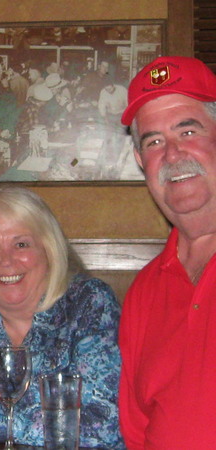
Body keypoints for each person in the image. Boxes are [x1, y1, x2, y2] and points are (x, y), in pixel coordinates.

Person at [0, 187, 124, 448]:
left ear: (49, 249)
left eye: (21, 244)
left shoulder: (88, 305)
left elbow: (105, 425)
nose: (6, 260)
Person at [119, 55, 216, 449]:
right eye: (154, 141)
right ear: (142, 163)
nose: (172, 155)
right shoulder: (144, 292)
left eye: (187, 131)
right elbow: (137, 433)